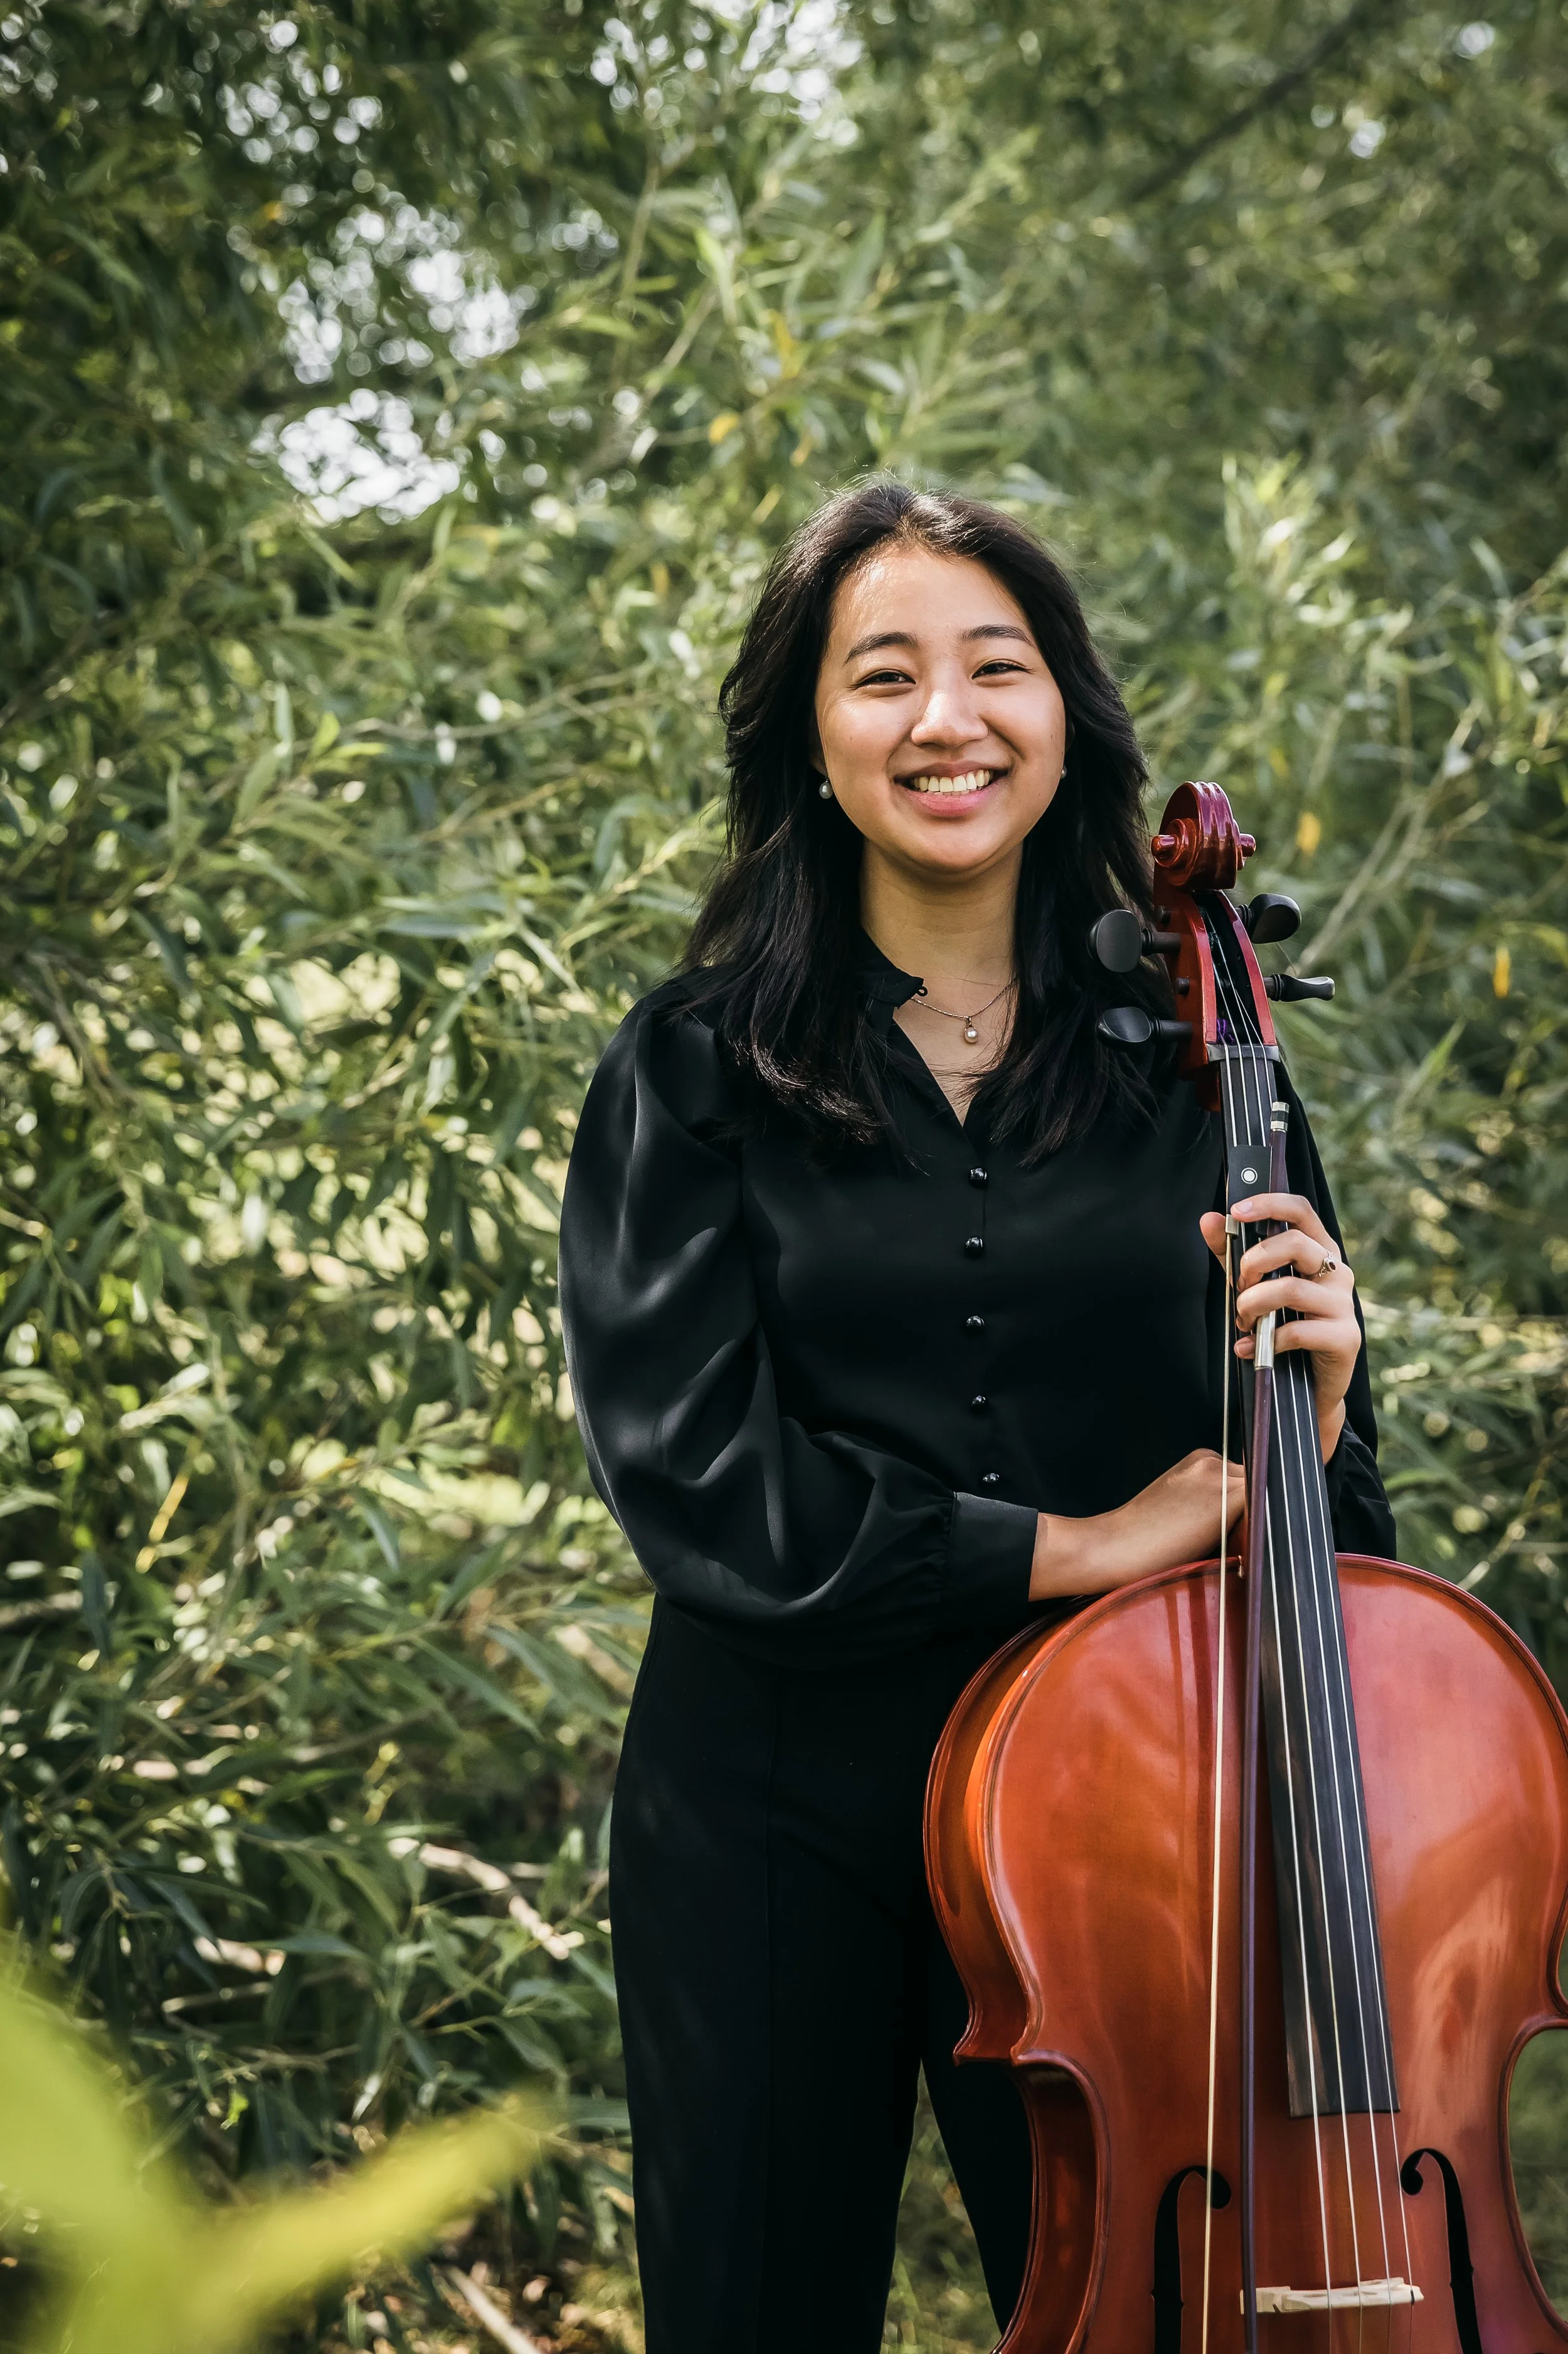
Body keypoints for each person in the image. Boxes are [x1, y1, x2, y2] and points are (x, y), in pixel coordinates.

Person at [558, 482, 1394, 2354]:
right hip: (773, 1815)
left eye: (993, 668)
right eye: (883, 677)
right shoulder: (690, 1070)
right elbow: (698, 1485)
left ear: (1063, 716)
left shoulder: (1208, 1058)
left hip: (1122, 1818)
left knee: (1139, 2310)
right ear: (810, 740)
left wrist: (1317, 1422)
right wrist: (1065, 1548)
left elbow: (1333, 1557)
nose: (946, 720)